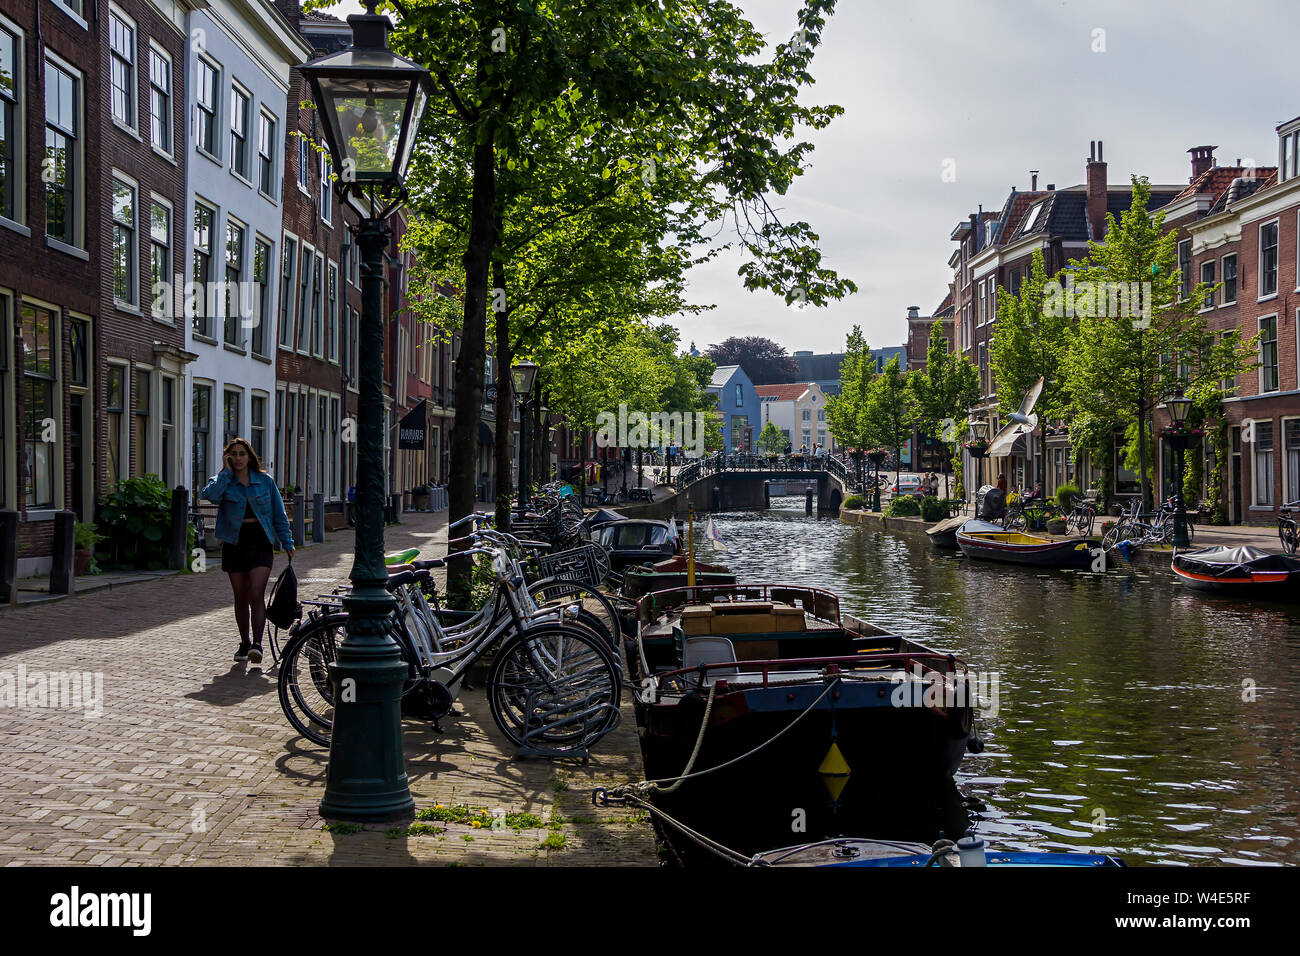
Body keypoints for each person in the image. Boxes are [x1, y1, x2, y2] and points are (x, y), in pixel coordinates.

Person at [201, 438, 294, 664]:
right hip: (234, 543)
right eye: (234, 454)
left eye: (243, 454)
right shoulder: (223, 481)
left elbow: (278, 514)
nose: (239, 458)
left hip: (260, 540)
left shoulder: (265, 481)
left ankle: (257, 644)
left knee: (256, 593)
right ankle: (244, 643)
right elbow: (209, 496)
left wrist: (287, 541)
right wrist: (225, 472)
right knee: (240, 597)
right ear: (228, 457)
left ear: (250, 456)